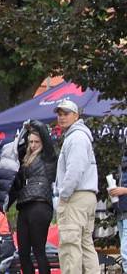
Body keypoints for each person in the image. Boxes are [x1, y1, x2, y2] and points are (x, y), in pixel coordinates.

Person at [1, 121, 56, 274]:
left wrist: (31, 124)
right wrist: (3, 205)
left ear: (43, 142)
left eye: (37, 141)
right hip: (24, 206)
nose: (33, 145)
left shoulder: (47, 157)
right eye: (31, 141)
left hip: (40, 204)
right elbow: (15, 187)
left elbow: (44, 133)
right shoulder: (24, 161)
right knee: (23, 253)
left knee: (39, 251)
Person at [52, 99, 98, 273]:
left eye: (66, 113)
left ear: (76, 116)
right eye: (59, 114)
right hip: (85, 196)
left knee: (70, 246)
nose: (62, 117)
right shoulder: (80, 135)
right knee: (85, 245)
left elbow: (75, 170)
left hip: (75, 197)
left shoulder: (76, 137)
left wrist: (63, 195)